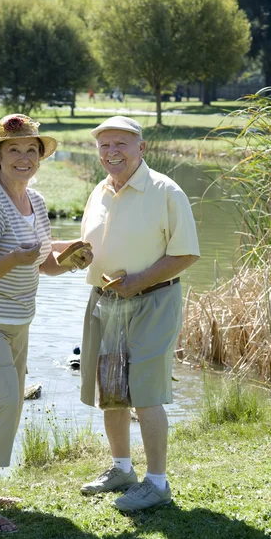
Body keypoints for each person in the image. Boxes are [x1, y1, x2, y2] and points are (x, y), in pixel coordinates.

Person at [0, 113, 92, 534]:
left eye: (32, 150)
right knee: (4, 400)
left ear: (40, 158)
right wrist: (12, 259)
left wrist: (69, 258)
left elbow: (42, 262)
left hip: (15, 320)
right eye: (14, 150)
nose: (24, 157)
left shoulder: (35, 201)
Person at [79, 115, 200, 511]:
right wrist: (73, 254)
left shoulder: (166, 191)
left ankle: (158, 483)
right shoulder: (99, 190)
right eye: (104, 146)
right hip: (105, 302)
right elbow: (95, 244)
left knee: (146, 393)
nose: (111, 152)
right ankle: (121, 469)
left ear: (141, 148)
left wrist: (138, 280)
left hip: (153, 301)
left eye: (121, 144)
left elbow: (186, 253)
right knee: (111, 391)